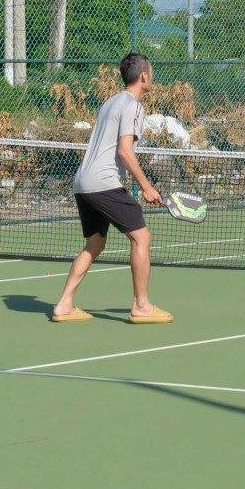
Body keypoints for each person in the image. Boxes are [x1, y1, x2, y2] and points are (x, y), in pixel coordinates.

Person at [49, 51, 172, 324]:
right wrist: (147, 186)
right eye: (151, 73)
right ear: (143, 76)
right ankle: (141, 305)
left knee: (95, 242)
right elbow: (125, 151)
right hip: (103, 182)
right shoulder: (133, 106)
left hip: (83, 182)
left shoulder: (110, 102)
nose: (152, 77)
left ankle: (64, 305)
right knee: (142, 238)